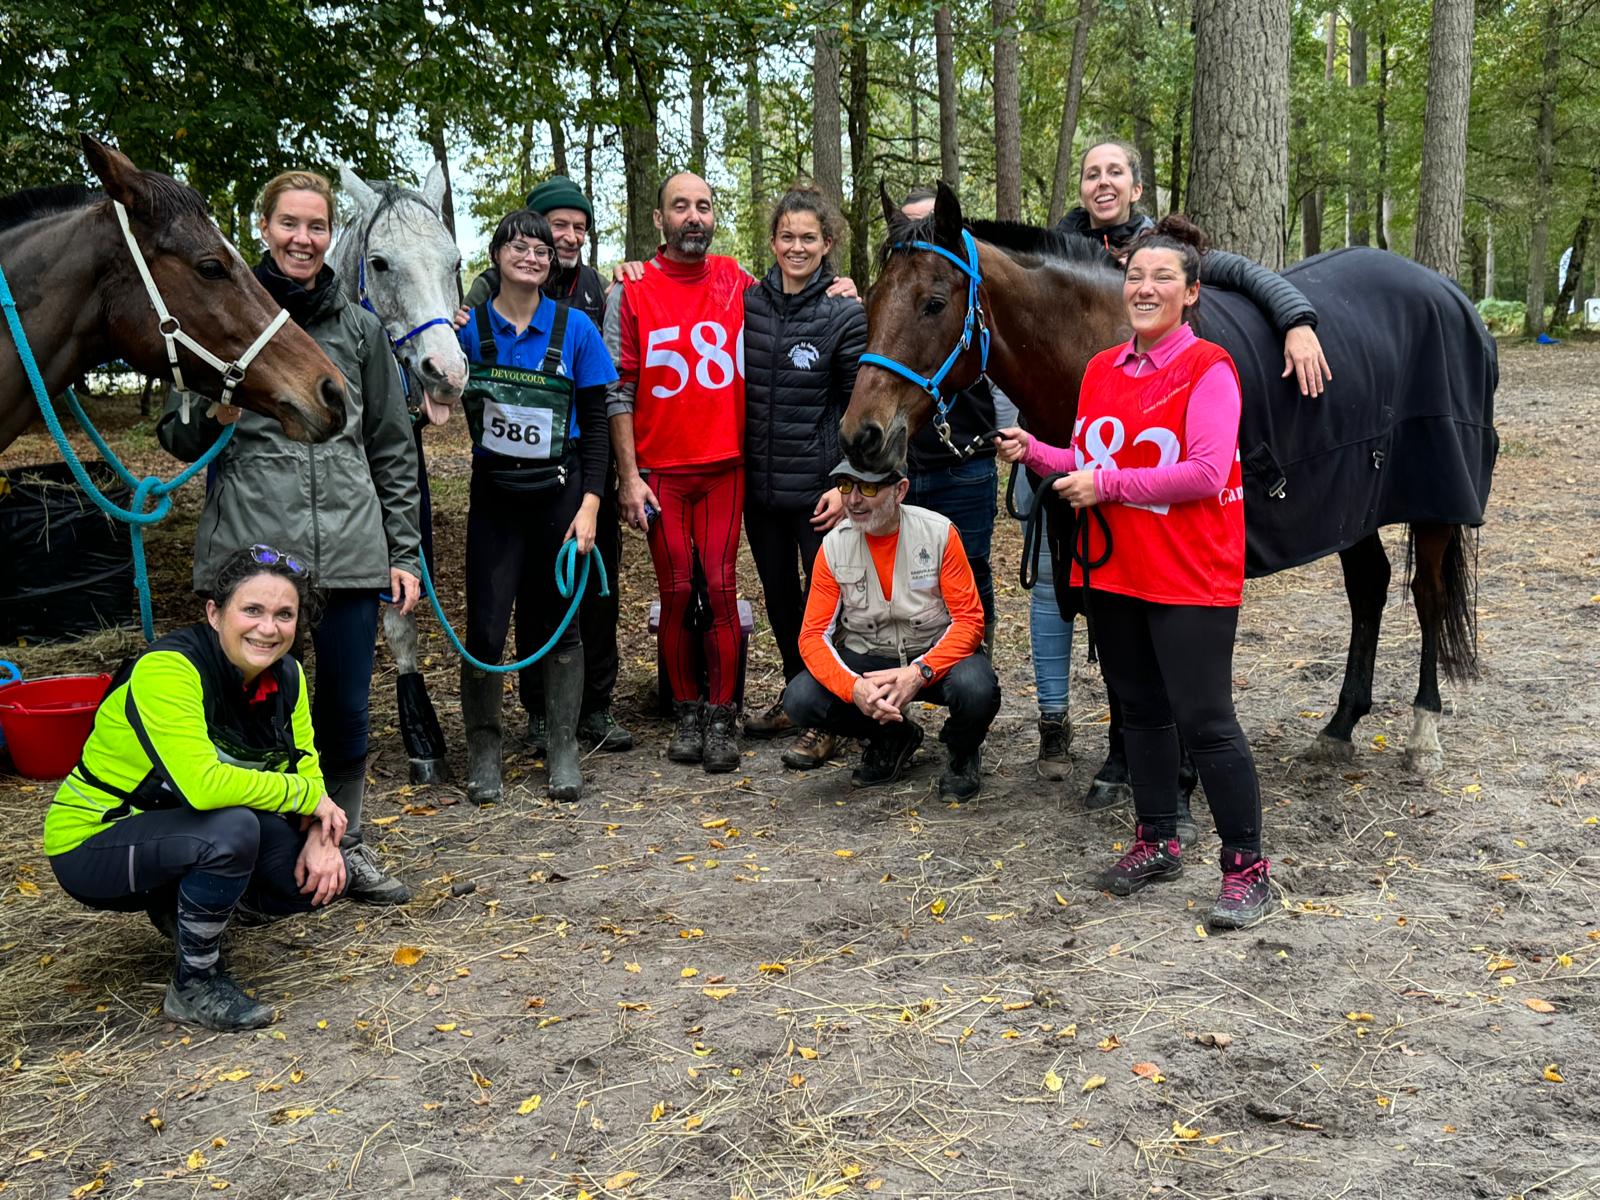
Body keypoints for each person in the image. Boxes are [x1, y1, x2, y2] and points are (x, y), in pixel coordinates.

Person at [995, 215, 1271, 930]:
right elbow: (1092, 460)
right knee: (1141, 713)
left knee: (1206, 722)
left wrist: (1105, 488)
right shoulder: (1100, 370)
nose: (1144, 288)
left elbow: (1207, 472)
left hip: (1189, 574)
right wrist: (1036, 453)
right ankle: (1157, 839)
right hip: (1118, 574)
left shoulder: (1209, 368)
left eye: (1162, 278)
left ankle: (1247, 868)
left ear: (1191, 293)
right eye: (1136, 276)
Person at [159, 169, 420, 906]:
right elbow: (175, 438)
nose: (303, 239)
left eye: (316, 226)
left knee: (342, 711)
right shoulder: (222, 313)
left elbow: (394, 449)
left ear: (330, 235)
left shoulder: (360, 330)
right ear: (264, 228)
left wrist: (402, 551)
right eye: (290, 224)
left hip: (347, 553)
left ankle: (346, 842)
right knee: (252, 714)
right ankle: (260, 856)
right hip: (254, 557)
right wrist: (214, 413)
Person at [43, 547, 350, 1031]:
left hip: (177, 828)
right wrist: (307, 799)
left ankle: (187, 910)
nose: (268, 628)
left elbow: (305, 766)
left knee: (306, 883)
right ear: (214, 613)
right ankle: (194, 983)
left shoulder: (286, 675)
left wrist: (320, 834)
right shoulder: (168, 669)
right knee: (230, 832)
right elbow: (204, 787)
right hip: (94, 839)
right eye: (252, 610)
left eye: (284, 614)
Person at [457, 178, 631, 754]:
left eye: (541, 249)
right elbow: (432, 392)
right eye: (520, 247)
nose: (534, 255)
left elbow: (600, 416)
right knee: (485, 623)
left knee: (560, 614)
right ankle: (486, 751)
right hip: (495, 494)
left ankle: (564, 741)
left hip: (562, 488)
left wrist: (592, 502)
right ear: (497, 256)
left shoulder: (580, 320)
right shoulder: (469, 327)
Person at [605, 172, 757, 773]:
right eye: (680, 207)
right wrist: (628, 476)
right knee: (674, 592)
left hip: (725, 466)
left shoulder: (737, 280)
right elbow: (618, 389)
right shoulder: (632, 289)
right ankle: (687, 708)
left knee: (719, 587)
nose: (694, 216)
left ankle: (723, 714)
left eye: (703, 206)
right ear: (659, 219)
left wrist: (839, 284)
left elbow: (794, 301)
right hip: (661, 472)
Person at [783, 459, 1000, 801]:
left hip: (931, 656)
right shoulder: (834, 546)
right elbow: (812, 636)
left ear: (900, 490)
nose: (853, 500)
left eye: (868, 488)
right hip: (867, 658)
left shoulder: (939, 534)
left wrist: (919, 673)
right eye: (845, 486)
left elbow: (970, 621)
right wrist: (853, 688)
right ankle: (892, 737)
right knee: (800, 698)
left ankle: (962, 751)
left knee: (976, 687)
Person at [740, 185, 866, 771]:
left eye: (807, 238)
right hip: (760, 493)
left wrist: (844, 487)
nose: (796, 247)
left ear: (827, 244)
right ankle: (798, 699)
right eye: (787, 237)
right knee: (781, 603)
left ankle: (831, 718)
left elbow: (856, 409)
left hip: (818, 494)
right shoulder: (747, 304)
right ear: (773, 241)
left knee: (825, 611)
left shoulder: (844, 313)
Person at [1059, 139, 1331, 399]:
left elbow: (1241, 271)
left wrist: (1296, 322)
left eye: (1115, 172)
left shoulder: (1166, 250)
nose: (1103, 181)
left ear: (1136, 190)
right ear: (1083, 192)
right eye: (1092, 175)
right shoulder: (1055, 258)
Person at [898, 187, 1001, 646]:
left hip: (966, 465)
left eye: (931, 227)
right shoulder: (892, 303)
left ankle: (979, 676)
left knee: (972, 571)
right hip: (904, 468)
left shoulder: (975, 298)